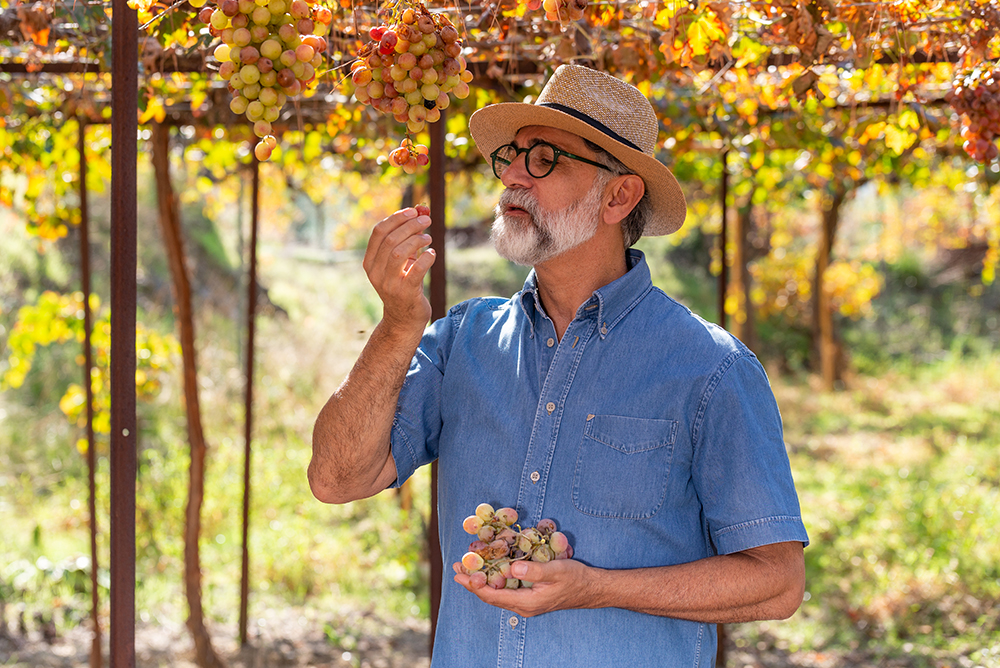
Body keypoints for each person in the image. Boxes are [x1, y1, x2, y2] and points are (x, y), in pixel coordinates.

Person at [309, 64, 809, 667]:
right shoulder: (460, 343)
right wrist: (396, 324)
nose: (514, 176)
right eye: (512, 156)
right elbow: (334, 480)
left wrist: (595, 589)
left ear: (619, 195)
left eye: (546, 159)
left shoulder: (709, 370)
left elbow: (777, 582)